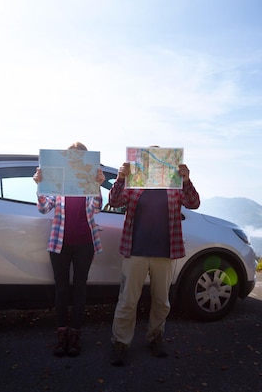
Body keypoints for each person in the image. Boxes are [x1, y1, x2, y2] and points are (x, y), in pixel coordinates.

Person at [108, 157, 200, 366]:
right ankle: (120, 342)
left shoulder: (173, 187)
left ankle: (155, 336)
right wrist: (121, 178)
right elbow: (114, 202)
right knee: (127, 302)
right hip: (135, 251)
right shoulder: (135, 184)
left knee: (161, 301)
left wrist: (186, 179)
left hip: (164, 253)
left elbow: (193, 203)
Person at [34, 142, 105, 357]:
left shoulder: (88, 181)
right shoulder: (59, 182)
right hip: (59, 243)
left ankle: (75, 334)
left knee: (80, 289)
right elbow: (44, 208)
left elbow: (97, 208)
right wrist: (40, 184)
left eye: (80, 157)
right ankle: (62, 334)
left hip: (85, 243)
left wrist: (98, 185)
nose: (75, 160)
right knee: (62, 289)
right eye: (72, 156)